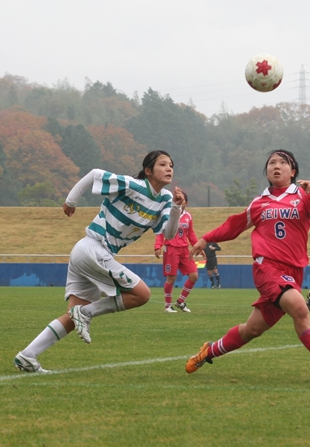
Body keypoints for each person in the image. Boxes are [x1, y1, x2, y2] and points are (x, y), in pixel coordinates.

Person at [185, 150, 310, 381]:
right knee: (300, 308)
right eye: (272, 162)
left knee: (252, 330)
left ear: (292, 171)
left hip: (293, 271)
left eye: (283, 163)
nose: (276, 166)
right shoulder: (259, 203)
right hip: (267, 268)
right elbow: (233, 226)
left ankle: (208, 351)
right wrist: (205, 238)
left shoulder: (303, 196)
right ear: (266, 171)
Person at [14, 150, 184, 373]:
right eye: (163, 164)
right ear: (148, 170)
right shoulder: (133, 185)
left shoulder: (165, 200)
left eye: (171, 165)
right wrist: (70, 201)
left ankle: (27, 356)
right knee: (142, 294)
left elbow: (169, 234)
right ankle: (86, 313)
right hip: (93, 249)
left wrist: (177, 209)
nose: (169, 168)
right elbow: (95, 175)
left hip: (90, 253)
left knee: (71, 317)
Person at [154, 192, 199, 313]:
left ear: (186, 202)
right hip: (171, 249)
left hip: (184, 250)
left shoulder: (188, 216)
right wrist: (158, 246)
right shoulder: (168, 214)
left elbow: (191, 234)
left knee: (194, 275)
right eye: (179, 199)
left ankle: (180, 302)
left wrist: (198, 246)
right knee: (171, 278)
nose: (181, 201)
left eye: (183, 200)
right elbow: (160, 231)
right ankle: (167, 306)